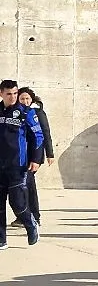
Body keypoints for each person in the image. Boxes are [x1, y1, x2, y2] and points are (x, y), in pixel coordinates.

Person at [0, 80, 43, 250]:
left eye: (15, 93)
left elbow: (38, 136)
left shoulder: (26, 112)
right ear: (1, 93)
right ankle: (1, 240)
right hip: (0, 165)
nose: (13, 97)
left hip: (18, 166)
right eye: (9, 94)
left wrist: (36, 159)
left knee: (17, 203)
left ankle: (31, 225)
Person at [9, 87, 53, 227]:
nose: (25, 101)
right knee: (18, 188)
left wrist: (49, 154)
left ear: (32, 100)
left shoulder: (37, 113)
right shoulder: (14, 113)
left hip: (33, 155)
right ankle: (22, 217)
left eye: (27, 98)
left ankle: (34, 216)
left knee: (28, 185)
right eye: (22, 99)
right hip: (18, 156)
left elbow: (44, 134)